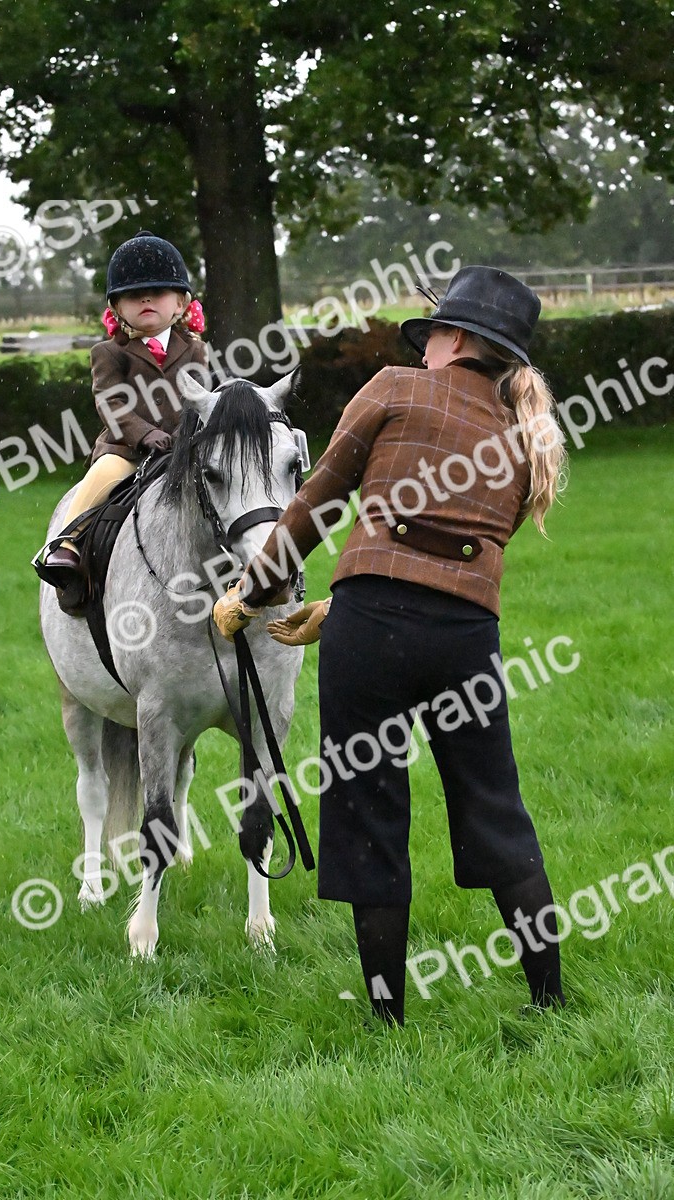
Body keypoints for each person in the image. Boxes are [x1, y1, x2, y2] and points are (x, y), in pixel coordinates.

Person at [213, 266, 568, 1026]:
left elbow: (315, 505)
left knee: (368, 812)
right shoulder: (525, 436)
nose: (424, 345)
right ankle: (550, 999)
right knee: (495, 810)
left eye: (433, 332)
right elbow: (463, 550)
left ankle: (386, 1016)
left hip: (369, 631)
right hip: (466, 639)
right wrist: (338, 602)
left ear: (458, 340)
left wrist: (250, 595)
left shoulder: (391, 388)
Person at [41, 230, 208, 578]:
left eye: (158, 292)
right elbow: (110, 401)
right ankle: (67, 543)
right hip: (125, 449)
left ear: (180, 303)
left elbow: (200, 397)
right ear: (117, 308)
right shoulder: (108, 352)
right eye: (133, 295)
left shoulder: (195, 349)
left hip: (185, 445)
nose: (145, 298)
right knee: (103, 474)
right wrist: (144, 434)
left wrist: (185, 436)